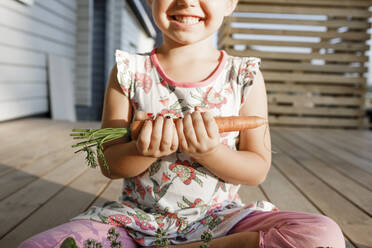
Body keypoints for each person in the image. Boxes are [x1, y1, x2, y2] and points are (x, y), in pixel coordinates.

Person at [19, 0, 346, 247]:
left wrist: (210, 152)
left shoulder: (244, 75)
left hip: (223, 222)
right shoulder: (127, 72)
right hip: (134, 221)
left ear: (231, 2)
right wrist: (145, 150)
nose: (187, 0)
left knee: (322, 235)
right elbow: (108, 161)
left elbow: (257, 168)